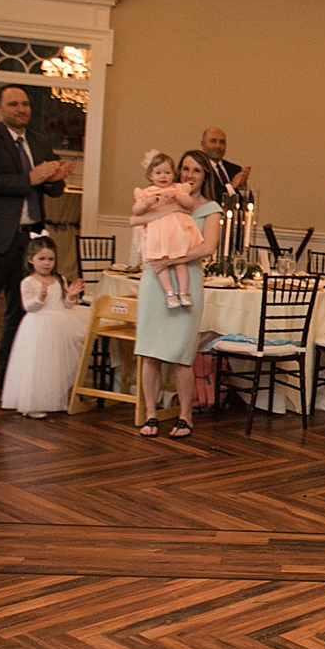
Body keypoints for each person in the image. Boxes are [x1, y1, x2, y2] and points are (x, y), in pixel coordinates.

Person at [0, 84, 74, 402]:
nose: (21, 109)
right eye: (13, 104)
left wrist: (56, 178)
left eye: (25, 104)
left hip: (30, 240)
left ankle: (9, 377)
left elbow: (51, 190)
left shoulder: (39, 141)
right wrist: (31, 179)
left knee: (20, 312)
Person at [131, 150, 223, 439]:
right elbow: (136, 221)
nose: (189, 175)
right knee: (150, 352)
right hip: (154, 279)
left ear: (205, 175)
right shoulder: (163, 195)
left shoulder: (210, 209)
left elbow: (208, 248)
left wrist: (169, 260)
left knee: (182, 354)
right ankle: (150, 415)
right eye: (185, 169)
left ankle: (185, 415)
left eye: (196, 170)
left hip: (186, 277)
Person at [0, 236, 87, 418]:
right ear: (31, 259)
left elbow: (66, 305)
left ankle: (55, 398)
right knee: (38, 364)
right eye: (42, 259)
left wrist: (71, 295)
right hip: (38, 326)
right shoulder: (28, 282)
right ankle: (34, 403)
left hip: (59, 324)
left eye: (51, 259)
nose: (47, 264)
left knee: (56, 364)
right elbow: (28, 307)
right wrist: (40, 297)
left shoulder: (59, 279)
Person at [132, 152, 204, 309]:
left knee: (180, 262)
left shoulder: (178, 188)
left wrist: (177, 196)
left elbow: (189, 203)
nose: (163, 176)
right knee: (160, 264)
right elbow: (136, 210)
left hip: (175, 232)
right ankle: (170, 293)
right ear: (150, 175)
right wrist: (146, 204)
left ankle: (184, 292)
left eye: (167, 172)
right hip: (157, 234)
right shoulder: (146, 192)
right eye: (158, 173)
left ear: (173, 174)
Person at [200, 127, 252, 209]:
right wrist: (231, 186)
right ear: (203, 144)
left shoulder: (235, 169)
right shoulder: (198, 169)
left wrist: (243, 188)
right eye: (213, 141)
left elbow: (248, 207)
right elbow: (209, 199)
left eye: (222, 142)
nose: (218, 146)